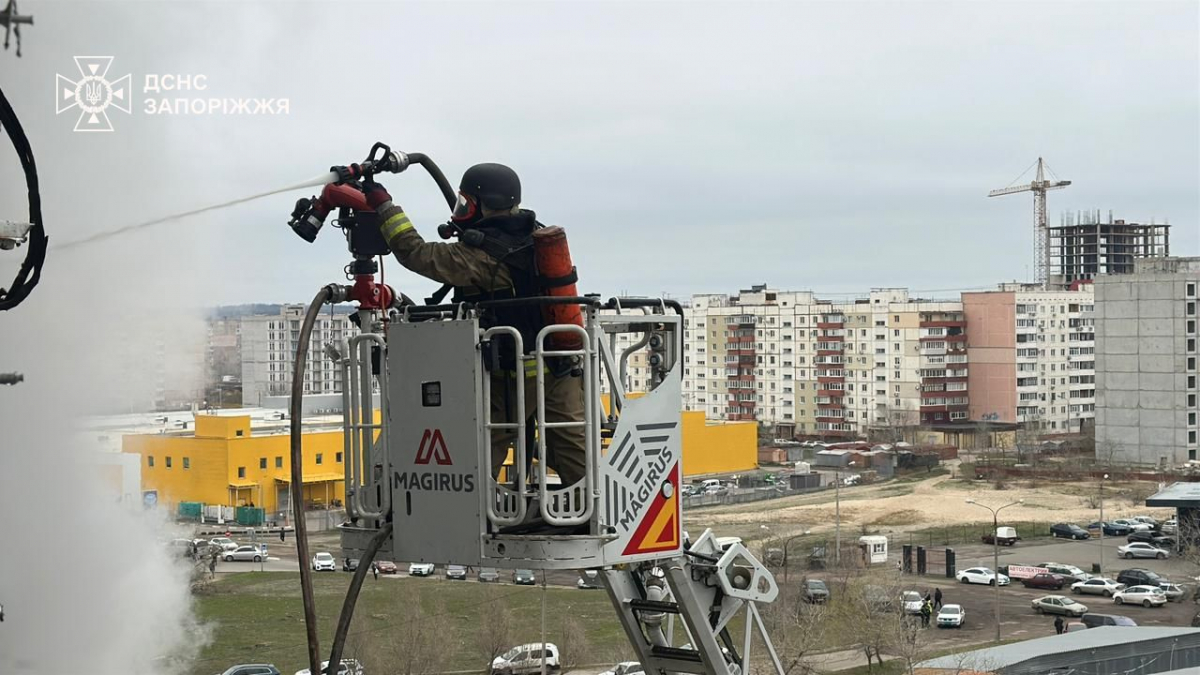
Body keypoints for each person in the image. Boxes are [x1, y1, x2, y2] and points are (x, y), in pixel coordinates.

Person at [345, 164, 586, 491]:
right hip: (561, 365)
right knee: (572, 449)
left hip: (515, 375)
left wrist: (385, 205)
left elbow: (415, 253)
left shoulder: (483, 255)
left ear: (481, 203)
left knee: (483, 448)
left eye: (466, 203)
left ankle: (473, 521)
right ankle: (598, 515)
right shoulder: (532, 237)